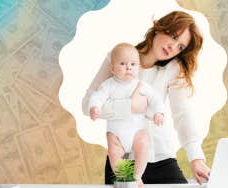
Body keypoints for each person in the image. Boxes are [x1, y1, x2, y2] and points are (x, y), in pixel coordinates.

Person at [82, 10, 211, 185]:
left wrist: (196, 158)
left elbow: (183, 114)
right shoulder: (119, 58)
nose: (173, 47)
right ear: (160, 28)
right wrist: (129, 106)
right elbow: (87, 105)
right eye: (173, 36)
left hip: (161, 157)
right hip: (123, 159)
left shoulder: (174, 69)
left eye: (180, 46)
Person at [88, 43, 165, 187]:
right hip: (116, 134)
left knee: (144, 145)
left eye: (133, 64)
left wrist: (159, 112)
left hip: (137, 132)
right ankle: (124, 178)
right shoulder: (109, 85)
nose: (128, 67)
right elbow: (97, 96)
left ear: (139, 68)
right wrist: (94, 107)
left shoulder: (141, 85)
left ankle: (137, 176)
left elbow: (156, 98)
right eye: (123, 63)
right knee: (114, 152)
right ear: (112, 68)